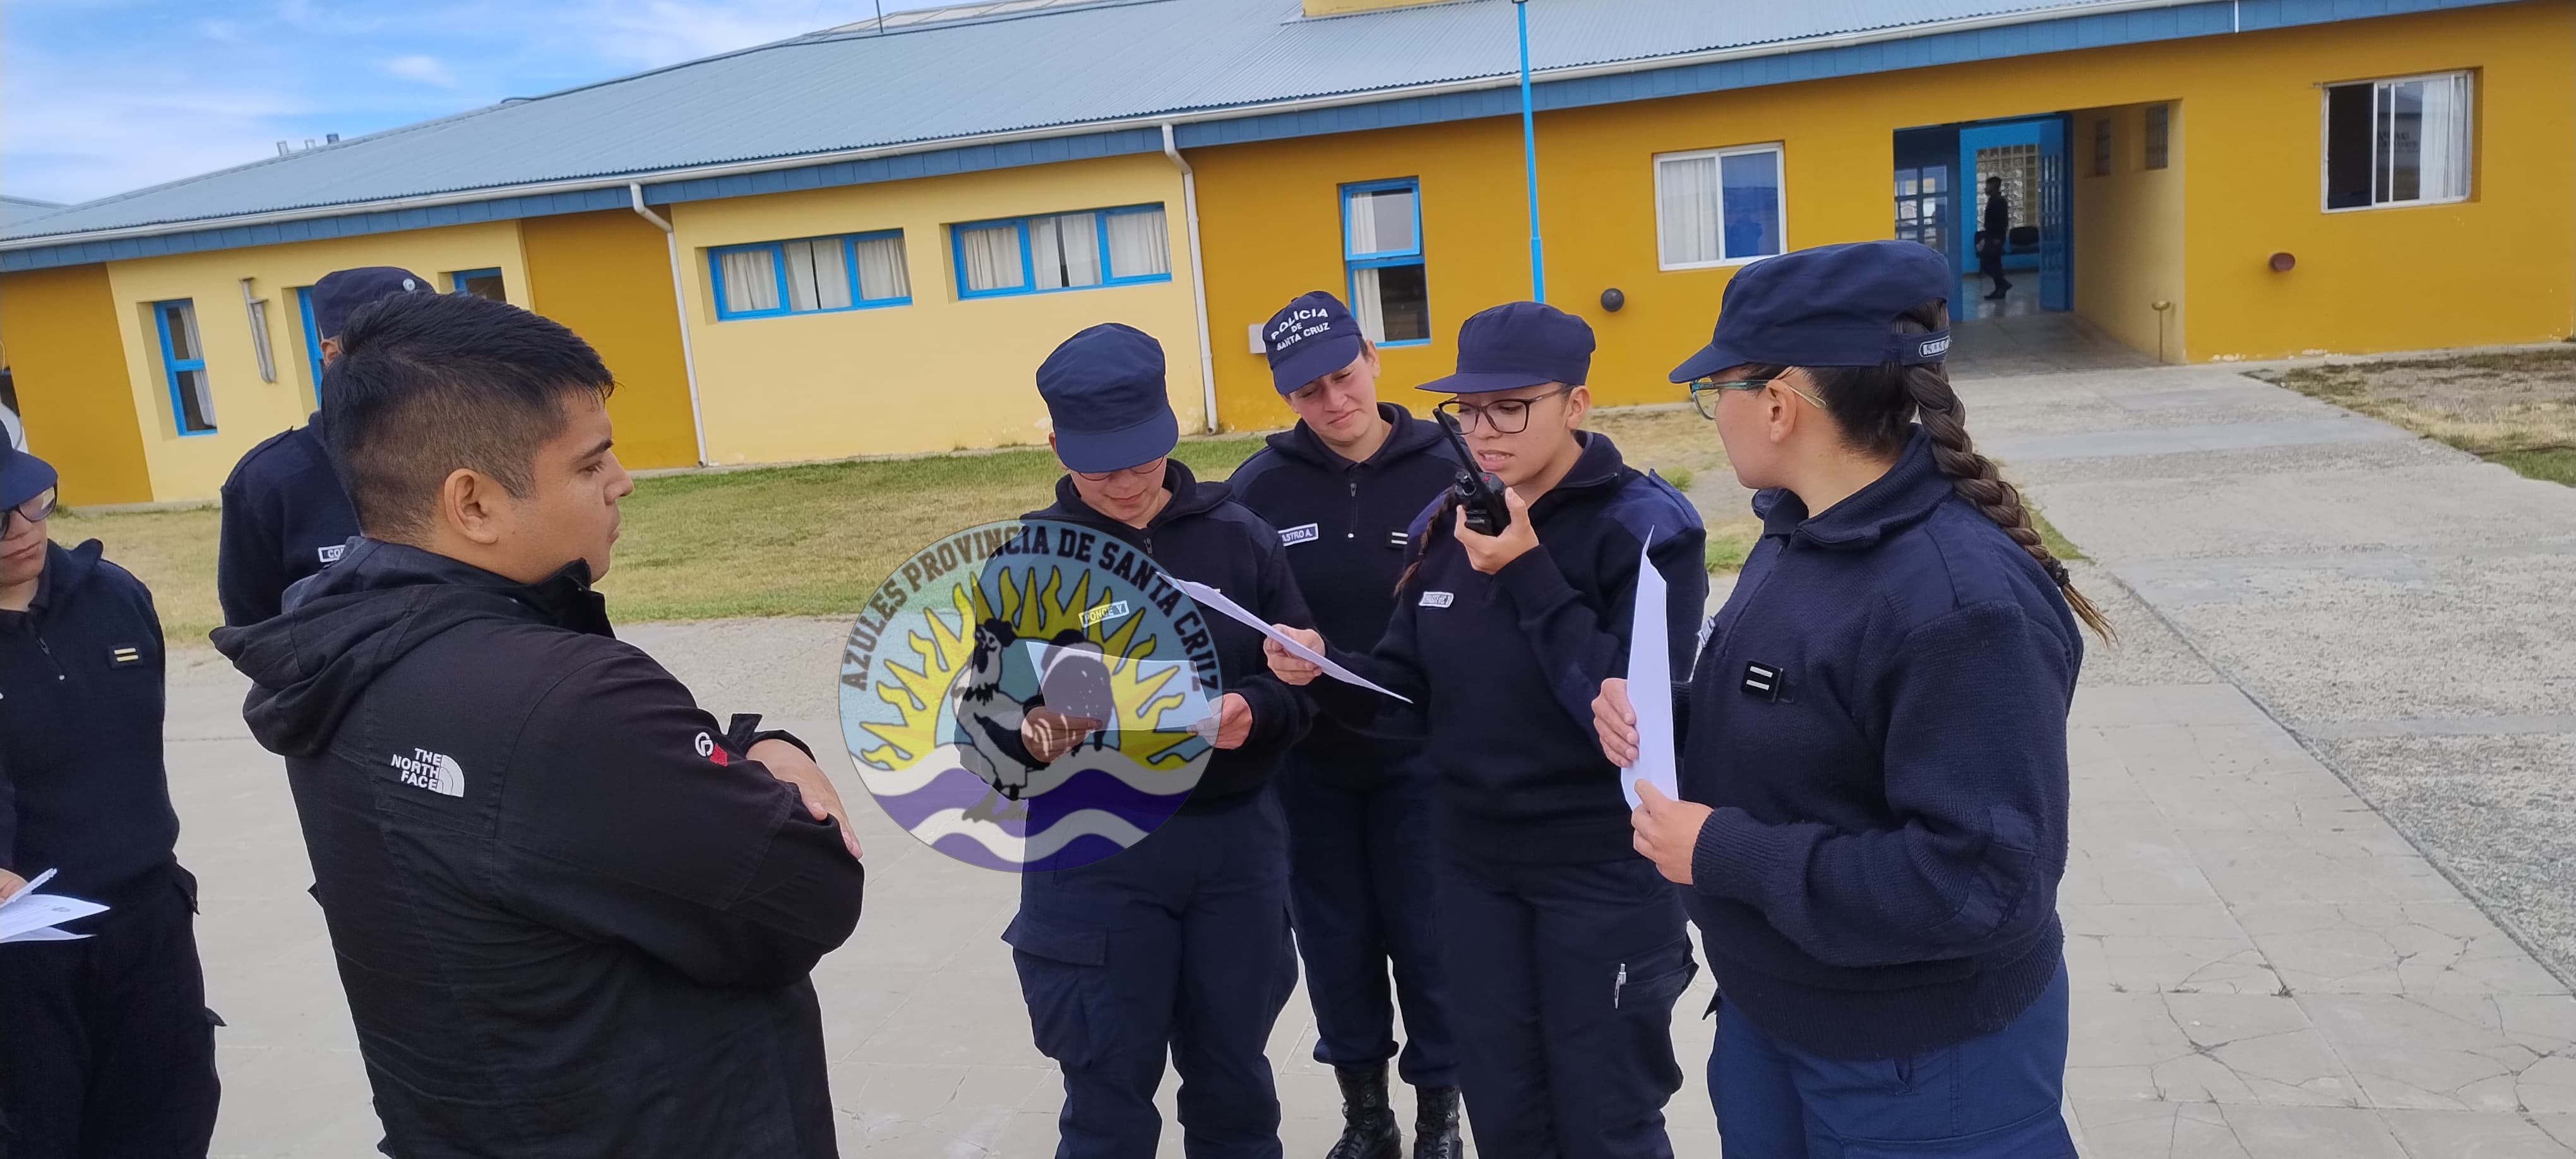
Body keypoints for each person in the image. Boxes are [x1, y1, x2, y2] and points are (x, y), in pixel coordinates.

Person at [210, 292, 866, 1158]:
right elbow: (804, 897)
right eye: (591, 465)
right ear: (473, 503)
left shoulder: (339, 651)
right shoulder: (566, 701)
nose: (622, 482)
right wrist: (777, 756)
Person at [1601, 239, 2111, 1157]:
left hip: (1920, 1060)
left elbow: (1981, 883)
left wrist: (1725, 851)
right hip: (1779, 1012)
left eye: (1716, 389)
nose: (1714, 412)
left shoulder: (1961, 602)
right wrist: (1667, 717)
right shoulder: (1800, 532)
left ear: (1780, 404)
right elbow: (1810, 711)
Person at [1266, 302, 1707, 1159]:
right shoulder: (1454, 517)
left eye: (1511, 407)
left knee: (1607, 1121)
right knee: (1507, 1116)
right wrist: (1325, 673)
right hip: (1471, 872)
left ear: (1576, 405)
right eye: (1469, 410)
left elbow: (1629, 724)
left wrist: (1530, 571)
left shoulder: (1646, 529)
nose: (1484, 430)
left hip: (1599, 874)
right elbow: (1408, 694)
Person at [1003, 322, 1317, 1158]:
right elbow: (996, 737)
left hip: (1235, 849)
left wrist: (1260, 704)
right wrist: (1048, 728)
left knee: (1236, 1089)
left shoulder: (1239, 536)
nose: (1127, 485)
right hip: (1096, 856)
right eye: (1102, 468)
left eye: (1141, 461)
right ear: (1060, 448)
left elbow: (1300, 686)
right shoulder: (1033, 556)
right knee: (1106, 1100)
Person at [1229, 291, 1462, 1159]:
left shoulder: (1454, 462)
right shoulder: (1259, 488)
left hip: (1426, 757)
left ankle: (1442, 1114)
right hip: (1312, 762)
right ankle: (1368, 1118)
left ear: (1373, 355)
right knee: (1336, 944)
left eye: (1342, 375)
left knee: (1432, 939)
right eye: (1307, 392)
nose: (1333, 403)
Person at [0, 439, 223, 1158]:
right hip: (20, 951)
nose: (22, 531)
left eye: (30, 504)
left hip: (145, 918)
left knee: (169, 1114)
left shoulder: (115, 595)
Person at [217, 265, 432, 627]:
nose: (419, 357)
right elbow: (257, 629)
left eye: (428, 339)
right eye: (393, 342)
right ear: (332, 355)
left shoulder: (477, 452)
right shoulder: (270, 481)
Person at [1977, 176, 2013, 301]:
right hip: (1991, 236)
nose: (1986, 188)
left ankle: (2003, 284)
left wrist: (1998, 237)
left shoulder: (1999, 201)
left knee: (1987, 262)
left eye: (1988, 185)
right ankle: (2000, 289)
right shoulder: (1993, 200)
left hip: (1996, 237)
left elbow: (2003, 222)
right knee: (1995, 263)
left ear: (1994, 186)